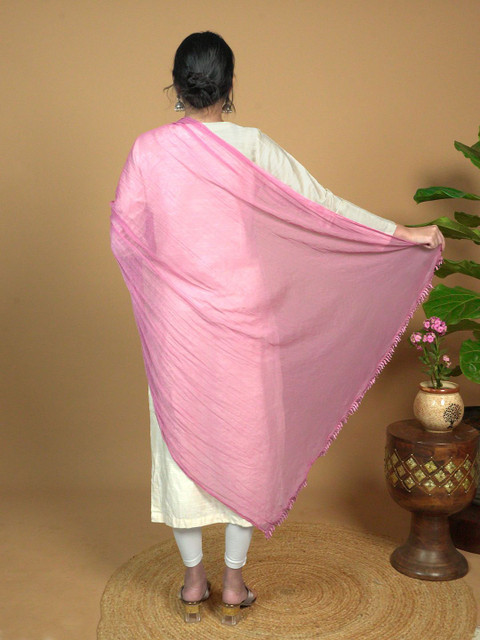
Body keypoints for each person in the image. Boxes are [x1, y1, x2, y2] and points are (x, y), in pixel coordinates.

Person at [112, 31, 445, 625]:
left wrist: (164, 288)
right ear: (229, 85)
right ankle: (233, 584)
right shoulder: (253, 146)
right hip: (248, 317)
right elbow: (324, 207)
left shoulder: (148, 150)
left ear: (178, 84)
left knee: (181, 445)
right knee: (250, 445)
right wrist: (403, 234)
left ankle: (193, 581)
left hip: (179, 328)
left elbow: (125, 235)